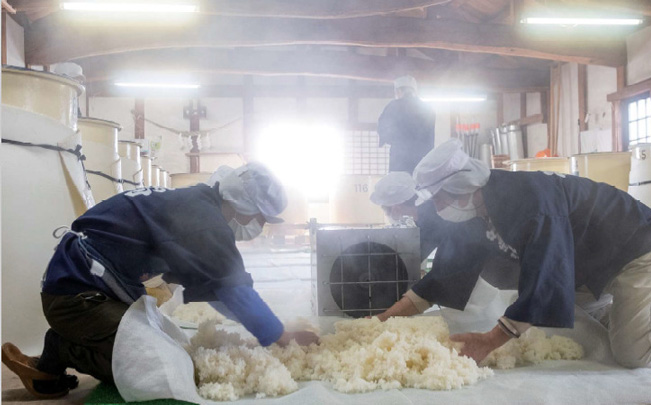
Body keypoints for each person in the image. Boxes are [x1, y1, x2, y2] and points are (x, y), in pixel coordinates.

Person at [1, 163, 319, 399]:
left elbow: (215, 289)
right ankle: (63, 347)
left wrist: (261, 327)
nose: (258, 226)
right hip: (77, 295)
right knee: (152, 366)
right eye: (260, 218)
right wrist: (279, 335)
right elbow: (234, 290)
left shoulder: (196, 204)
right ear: (243, 205)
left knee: (169, 342)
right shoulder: (206, 223)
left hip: (81, 286)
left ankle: (51, 361)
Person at [405, 139, 651, 368]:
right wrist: (379, 321)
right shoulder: (480, 209)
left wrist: (489, 340)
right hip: (590, 264)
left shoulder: (530, 203)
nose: (437, 208)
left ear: (463, 190)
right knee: (576, 329)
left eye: (439, 199)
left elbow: (546, 276)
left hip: (637, 249)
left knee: (635, 352)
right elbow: (446, 274)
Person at [369, 171, 518, 332]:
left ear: (395, 207)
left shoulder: (441, 215)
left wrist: (384, 318)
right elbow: (421, 252)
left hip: (489, 278)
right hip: (483, 276)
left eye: (386, 210)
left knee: (478, 320)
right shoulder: (426, 213)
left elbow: (440, 278)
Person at [377, 75, 435, 174]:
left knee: (399, 186)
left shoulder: (393, 106)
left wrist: (391, 139)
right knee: (419, 186)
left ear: (398, 91)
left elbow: (382, 128)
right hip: (422, 157)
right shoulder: (427, 108)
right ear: (415, 91)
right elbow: (430, 135)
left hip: (399, 157)